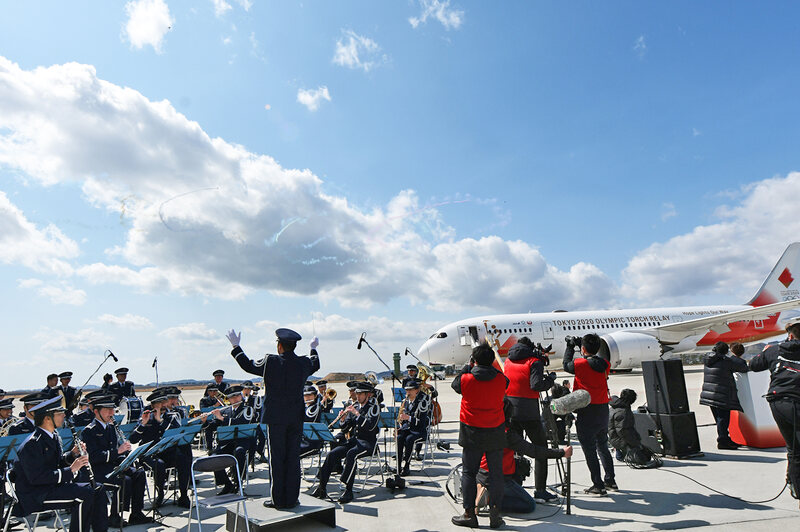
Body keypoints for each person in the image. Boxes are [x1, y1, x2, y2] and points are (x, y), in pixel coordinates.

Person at [227, 327, 320, 509]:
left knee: (277, 459)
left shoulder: (271, 362)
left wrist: (236, 346)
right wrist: (313, 348)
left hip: (276, 417)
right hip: (296, 417)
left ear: (280, 346)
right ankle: (292, 499)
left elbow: (248, 365)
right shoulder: (302, 363)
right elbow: (315, 364)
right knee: (293, 458)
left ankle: (278, 499)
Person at [12, 396, 109, 532]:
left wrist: (73, 454)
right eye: (59, 414)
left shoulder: (53, 435)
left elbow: (56, 463)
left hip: (50, 487)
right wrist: (71, 469)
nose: (64, 415)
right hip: (35, 495)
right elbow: (36, 477)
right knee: (84, 494)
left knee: (98, 489)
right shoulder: (32, 444)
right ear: (47, 418)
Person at [451, 342, 508, 529]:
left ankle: (469, 513)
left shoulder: (466, 379)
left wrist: (469, 366)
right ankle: (495, 513)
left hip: (472, 430)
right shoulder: (501, 379)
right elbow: (504, 380)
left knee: (469, 472)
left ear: (474, 360)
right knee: (496, 474)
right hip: (495, 429)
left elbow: (455, 384)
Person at [749, 322, 800, 503]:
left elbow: (754, 365)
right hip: (796, 402)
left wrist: (767, 351)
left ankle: (794, 484)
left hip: (778, 402)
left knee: (794, 448)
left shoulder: (775, 349)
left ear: (790, 335)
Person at [81, 395, 151, 526]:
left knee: (139, 473)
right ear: (96, 411)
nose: (112, 413)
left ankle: (136, 513)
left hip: (112, 466)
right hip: (96, 470)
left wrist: (126, 460)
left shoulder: (111, 427)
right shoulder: (89, 431)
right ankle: (114, 515)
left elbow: (116, 453)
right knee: (123, 481)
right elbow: (94, 457)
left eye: (112, 409)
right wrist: (117, 452)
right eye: (108, 410)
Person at [503, 337, 557, 503]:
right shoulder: (534, 362)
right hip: (528, 410)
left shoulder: (507, 361)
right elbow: (536, 385)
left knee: (516, 448)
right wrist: (550, 380)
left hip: (509, 409)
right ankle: (540, 490)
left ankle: (516, 485)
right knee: (541, 449)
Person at [311, 382, 380, 503]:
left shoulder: (373, 407)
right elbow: (345, 428)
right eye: (356, 393)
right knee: (332, 454)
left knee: (351, 454)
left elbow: (370, 427)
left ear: (367, 395)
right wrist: (342, 420)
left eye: (360, 394)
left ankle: (348, 490)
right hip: (354, 441)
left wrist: (357, 414)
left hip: (367, 443)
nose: (357, 396)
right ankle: (321, 487)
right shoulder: (355, 406)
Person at [563, 333, 614, 495]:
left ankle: (597, 484)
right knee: (603, 446)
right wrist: (581, 347)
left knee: (589, 449)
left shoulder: (580, 364)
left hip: (586, 409)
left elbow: (566, 365)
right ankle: (610, 480)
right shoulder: (606, 364)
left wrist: (570, 347)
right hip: (602, 409)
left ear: (583, 348)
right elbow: (593, 360)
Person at [699, 341, 748, 450]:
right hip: (721, 395)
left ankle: (724, 438)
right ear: (726, 351)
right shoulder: (725, 361)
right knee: (723, 419)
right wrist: (736, 356)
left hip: (709, 394)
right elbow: (743, 367)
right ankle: (723, 441)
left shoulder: (708, 359)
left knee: (719, 419)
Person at [396, 379, 430, 476]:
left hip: (419, 431)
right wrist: (400, 424)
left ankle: (406, 466)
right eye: (407, 390)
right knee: (399, 438)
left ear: (416, 391)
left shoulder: (422, 403)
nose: (408, 392)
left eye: (410, 390)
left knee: (409, 439)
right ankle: (398, 466)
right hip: (408, 429)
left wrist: (409, 418)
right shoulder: (405, 402)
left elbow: (422, 422)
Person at [608, 389, 643, 461]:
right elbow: (622, 431)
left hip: (613, 435)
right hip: (618, 439)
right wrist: (635, 441)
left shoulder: (616, 405)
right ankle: (622, 453)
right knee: (640, 454)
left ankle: (620, 452)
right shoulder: (623, 411)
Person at [300, 385, 323, 457]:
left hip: (311, 442)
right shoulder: (304, 407)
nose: (307, 397)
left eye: (310, 395)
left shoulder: (315, 408)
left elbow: (308, 418)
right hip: (302, 440)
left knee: (292, 451)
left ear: (315, 396)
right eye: (305, 395)